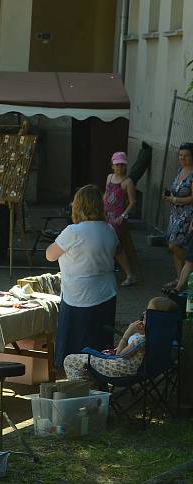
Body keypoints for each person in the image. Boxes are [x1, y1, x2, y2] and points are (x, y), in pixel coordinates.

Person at [46, 184, 119, 369]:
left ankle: (76, 380)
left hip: (79, 295)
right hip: (106, 292)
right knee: (101, 343)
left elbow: (49, 255)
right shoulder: (109, 229)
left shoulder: (73, 231)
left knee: (76, 347)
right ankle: (100, 376)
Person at [64, 297, 178, 381]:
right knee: (87, 363)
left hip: (119, 370)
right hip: (134, 368)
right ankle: (95, 390)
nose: (144, 314)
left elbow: (119, 354)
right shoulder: (160, 337)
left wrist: (129, 332)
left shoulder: (141, 340)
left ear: (156, 320)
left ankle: (83, 392)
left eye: (148, 312)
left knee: (69, 360)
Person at [105, 151, 138, 286]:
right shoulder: (109, 177)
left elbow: (132, 202)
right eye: (117, 165)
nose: (120, 167)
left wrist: (123, 216)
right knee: (107, 244)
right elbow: (106, 194)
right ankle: (110, 271)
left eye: (122, 165)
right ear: (112, 165)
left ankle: (130, 274)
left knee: (116, 246)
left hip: (118, 217)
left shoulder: (127, 182)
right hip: (107, 215)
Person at [163, 144, 193, 288]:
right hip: (175, 213)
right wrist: (170, 195)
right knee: (174, 245)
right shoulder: (181, 169)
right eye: (180, 155)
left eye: (186, 155)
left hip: (187, 215)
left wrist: (175, 200)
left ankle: (189, 269)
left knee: (174, 245)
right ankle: (180, 278)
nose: (182, 158)